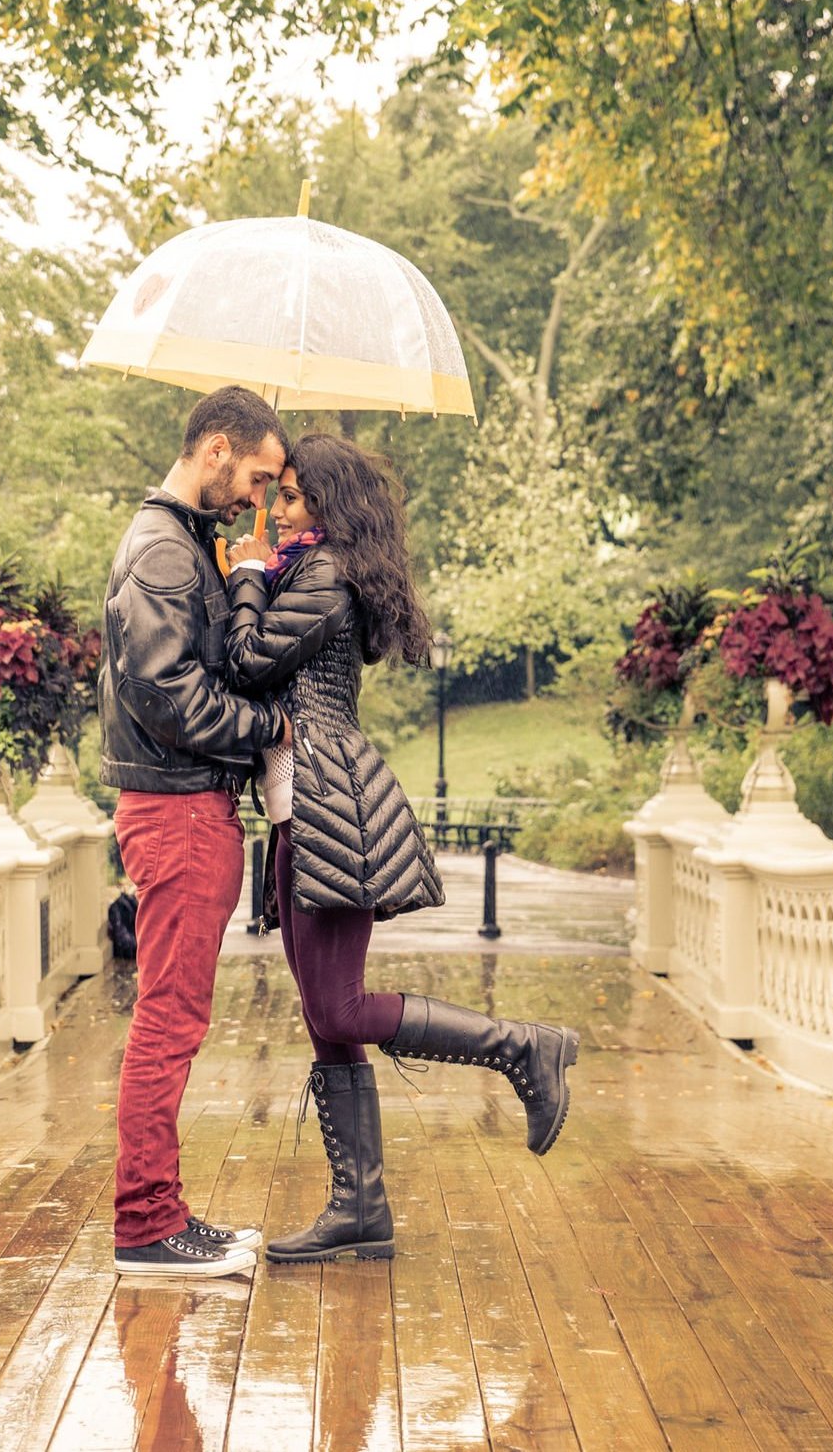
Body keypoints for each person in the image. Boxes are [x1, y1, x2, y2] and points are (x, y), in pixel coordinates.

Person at [224, 432, 579, 1264]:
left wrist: (243, 577)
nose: (279, 508)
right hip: (296, 810)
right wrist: (246, 577)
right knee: (325, 1022)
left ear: (333, 505)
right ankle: (361, 1209)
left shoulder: (326, 578)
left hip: (330, 805)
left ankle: (522, 1046)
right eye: (279, 492)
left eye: (296, 495)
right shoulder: (303, 571)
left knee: (340, 1007)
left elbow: (247, 661)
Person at [97, 385, 291, 1278]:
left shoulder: (186, 546)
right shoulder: (163, 551)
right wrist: (268, 733)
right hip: (176, 809)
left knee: (175, 1015)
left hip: (185, 805)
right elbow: (167, 693)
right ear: (216, 449)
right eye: (255, 476)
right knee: (169, 1019)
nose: (258, 497)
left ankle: (162, 1212)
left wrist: (246, 574)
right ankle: (145, 1226)